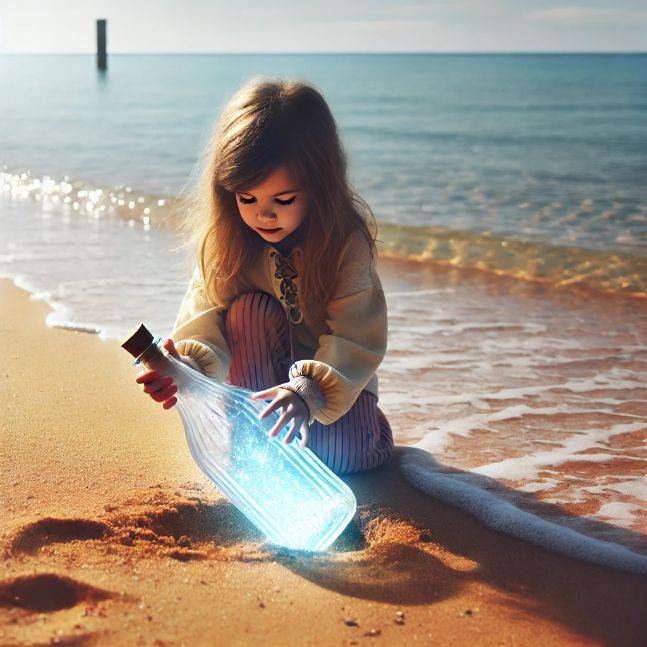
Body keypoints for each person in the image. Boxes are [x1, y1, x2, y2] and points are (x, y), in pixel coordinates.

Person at [136, 77, 393, 475]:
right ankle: (252, 437)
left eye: (283, 199)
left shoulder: (344, 244)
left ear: (319, 187)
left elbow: (357, 339)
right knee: (247, 310)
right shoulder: (228, 243)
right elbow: (203, 322)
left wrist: (305, 393)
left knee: (344, 461)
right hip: (261, 388)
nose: (263, 215)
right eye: (246, 198)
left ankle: (370, 434)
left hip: (331, 389)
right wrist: (181, 369)